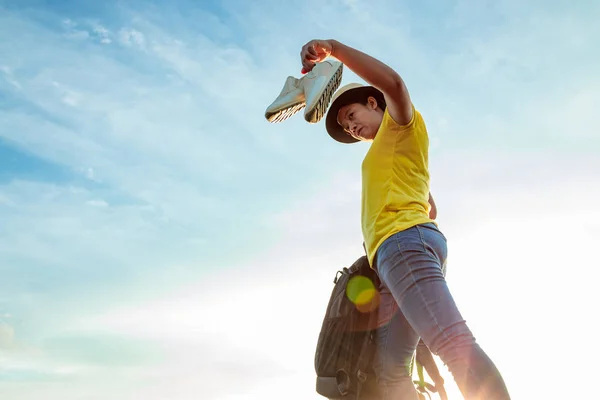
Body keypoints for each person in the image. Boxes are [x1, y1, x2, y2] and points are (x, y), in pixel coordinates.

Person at [299, 39, 511, 400]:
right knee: (389, 371)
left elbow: (394, 85)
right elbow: (430, 206)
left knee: (451, 343)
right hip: (396, 254)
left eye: (350, 116)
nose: (350, 127)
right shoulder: (393, 150)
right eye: (345, 127)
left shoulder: (399, 123)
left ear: (372, 102)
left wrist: (333, 49)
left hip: (402, 245)